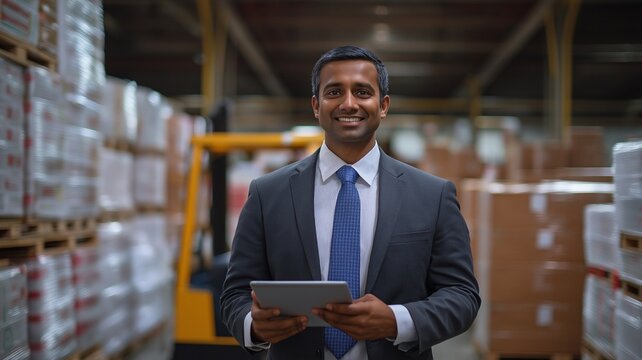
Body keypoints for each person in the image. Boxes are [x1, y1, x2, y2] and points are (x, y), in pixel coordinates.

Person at [221, 45, 480, 360]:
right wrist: (254, 326)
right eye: (334, 92)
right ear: (316, 106)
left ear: (383, 105)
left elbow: (462, 296)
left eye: (362, 92)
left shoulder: (432, 195)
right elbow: (234, 295)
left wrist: (397, 321)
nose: (348, 103)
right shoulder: (268, 194)